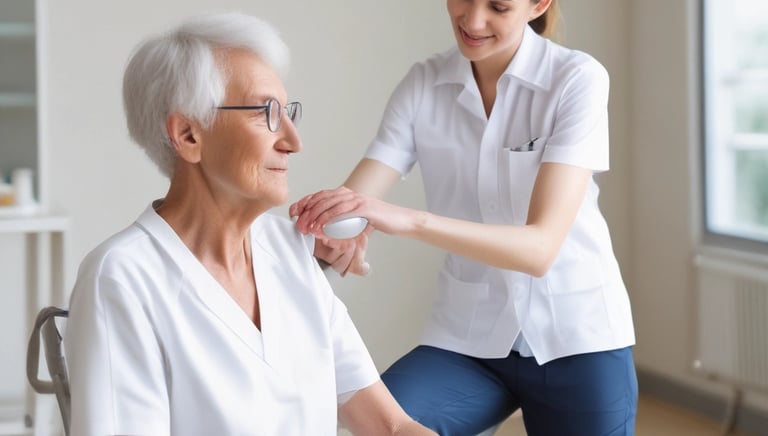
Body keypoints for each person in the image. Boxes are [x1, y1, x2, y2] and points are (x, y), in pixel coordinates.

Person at [63, 12, 437, 436]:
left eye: (288, 112)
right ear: (188, 135)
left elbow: (388, 425)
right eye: (266, 113)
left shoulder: (289, 250)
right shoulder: (122, 278)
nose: (294, 142)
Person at [290, 0, 638, 435]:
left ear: (538, 5)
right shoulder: (423, 85)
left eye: (497, 6)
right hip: (467, 343)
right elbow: (355, 203)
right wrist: (336, 231)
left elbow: (540, 248)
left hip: (577, 339)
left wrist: (408, 220)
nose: (472, 21)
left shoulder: (576, 79)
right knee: (380, 426)